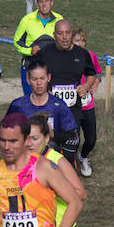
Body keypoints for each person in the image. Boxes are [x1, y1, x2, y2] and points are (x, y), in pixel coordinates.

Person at [33, 20, 98, 172]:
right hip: (50, 107)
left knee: (70, 142)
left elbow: (91, 73)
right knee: (50, 141)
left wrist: (86, 86)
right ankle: (46, 174)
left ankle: (68, 174)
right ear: (54, 35)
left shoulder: (82, 54)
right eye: (60, 33)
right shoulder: (45, 53)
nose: (64, 37)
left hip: (72, 107)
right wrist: (43, 90)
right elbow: (33, 74)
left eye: (67, 33)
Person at [6, 60, 78, 169]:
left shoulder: (59, 105)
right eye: (34, 79)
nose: (39, 83)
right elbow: (7, 132)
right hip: (24, 161)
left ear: (48, 78)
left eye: (42, 78)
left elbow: (71, 136)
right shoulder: (18, 105)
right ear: (28, 80)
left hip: (52, 163)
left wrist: (53, 134)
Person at [13, 0, 62, 95]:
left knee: (52, 103)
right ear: (37, 4)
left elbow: (64, 41)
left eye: (46, 1)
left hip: (52, 68)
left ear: (51, 2)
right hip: (30, 66)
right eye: (41, 2)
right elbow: (17, 41)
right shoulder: (27, 20)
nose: (44, 5)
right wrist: (30, 50)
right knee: (31, 102)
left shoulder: (59, 19)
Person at [71, 28, 102, 178]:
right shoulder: (66, 57)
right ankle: (71, 159)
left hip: (87, 104)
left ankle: (83, 157)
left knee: (91, 139)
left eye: (83, 40)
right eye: (77, 40)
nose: (80, 43)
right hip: (71, 105)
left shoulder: (90, 56)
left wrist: (95, 82)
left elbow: (98, 72)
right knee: (73, 137)